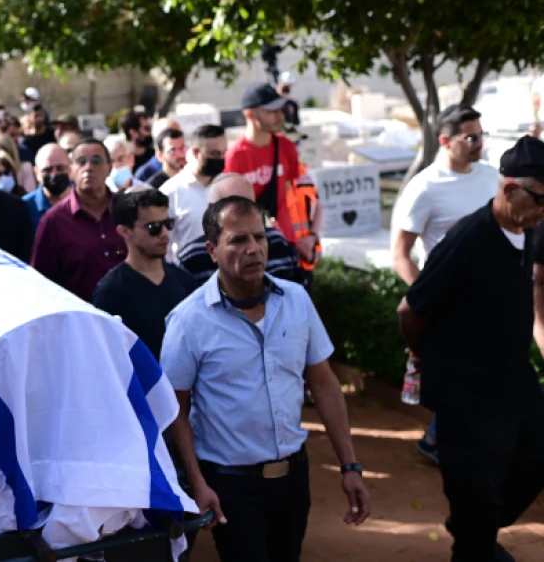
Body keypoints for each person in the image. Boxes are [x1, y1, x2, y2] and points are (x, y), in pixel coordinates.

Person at [163, 195, 369, 562]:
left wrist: (350, 465)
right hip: (230, 484)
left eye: (260, 237)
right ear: (212, 250)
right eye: (238, 240)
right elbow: (175, 409)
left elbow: (323, 383)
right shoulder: (188, 320)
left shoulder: (297, 299)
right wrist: (198, 484)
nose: (254, 249)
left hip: (293, 478)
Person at [398, 137, 544, 562]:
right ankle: (474, 541)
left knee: (536, 451)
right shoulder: (469, 238)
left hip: (512, 378)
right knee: (475, 482)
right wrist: (422, 354)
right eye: (540, 199)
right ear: (510, 189)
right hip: (467, 389)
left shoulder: (524, 229)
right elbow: (410, 309)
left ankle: (476, 527)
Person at [390, 104, 497, 465]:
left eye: (481, 135)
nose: (478, 143)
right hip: (449, 306)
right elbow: (401, 255)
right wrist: (428, 297)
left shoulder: (491, 177)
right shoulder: (424, 187)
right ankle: (444, 443)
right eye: (470, 137)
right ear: (445, 141)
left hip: (492, 300)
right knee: (463, 378)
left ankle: (440, 438)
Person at [92, 187, 197, 358]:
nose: (164, 234)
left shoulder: (185, 281)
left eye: (167, 224)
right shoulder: (111, 292)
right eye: (153, 227)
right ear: (125, 231)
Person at [32, 139, 126, 301]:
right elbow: (41, 282)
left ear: (110, 167)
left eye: (96, 161)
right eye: (81, 161)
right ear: (70, 170)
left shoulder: (128, 211)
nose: (89, 167)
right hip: (81, 320)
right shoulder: (54, 221)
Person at [225, 82, 309, 248]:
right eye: (272, 111)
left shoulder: (287, 147)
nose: (280, 116)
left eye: (281, 110)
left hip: (286, 240)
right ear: (250, 114)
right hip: (253, 244)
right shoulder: (235, 156)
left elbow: (287, 194)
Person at [160, 124, 229, 283]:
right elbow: (165, 247)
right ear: (196, 152)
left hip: (230, 278)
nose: (220, 159)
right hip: (189, 280)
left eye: (223, 153)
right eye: (214, 153)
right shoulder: (170, 192)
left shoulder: (229, 184)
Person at [23, 143, 72, 234]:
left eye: (60, 168)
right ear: (36, 172)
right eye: (47, 170)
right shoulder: (23, 208)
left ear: (70, 169)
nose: (54, 174)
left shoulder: (87, 202)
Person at [135, 118, 182, 184]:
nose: (177, 139)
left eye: (179, 134)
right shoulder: (144, 175)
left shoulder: (190, 168)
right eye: (169, 134)